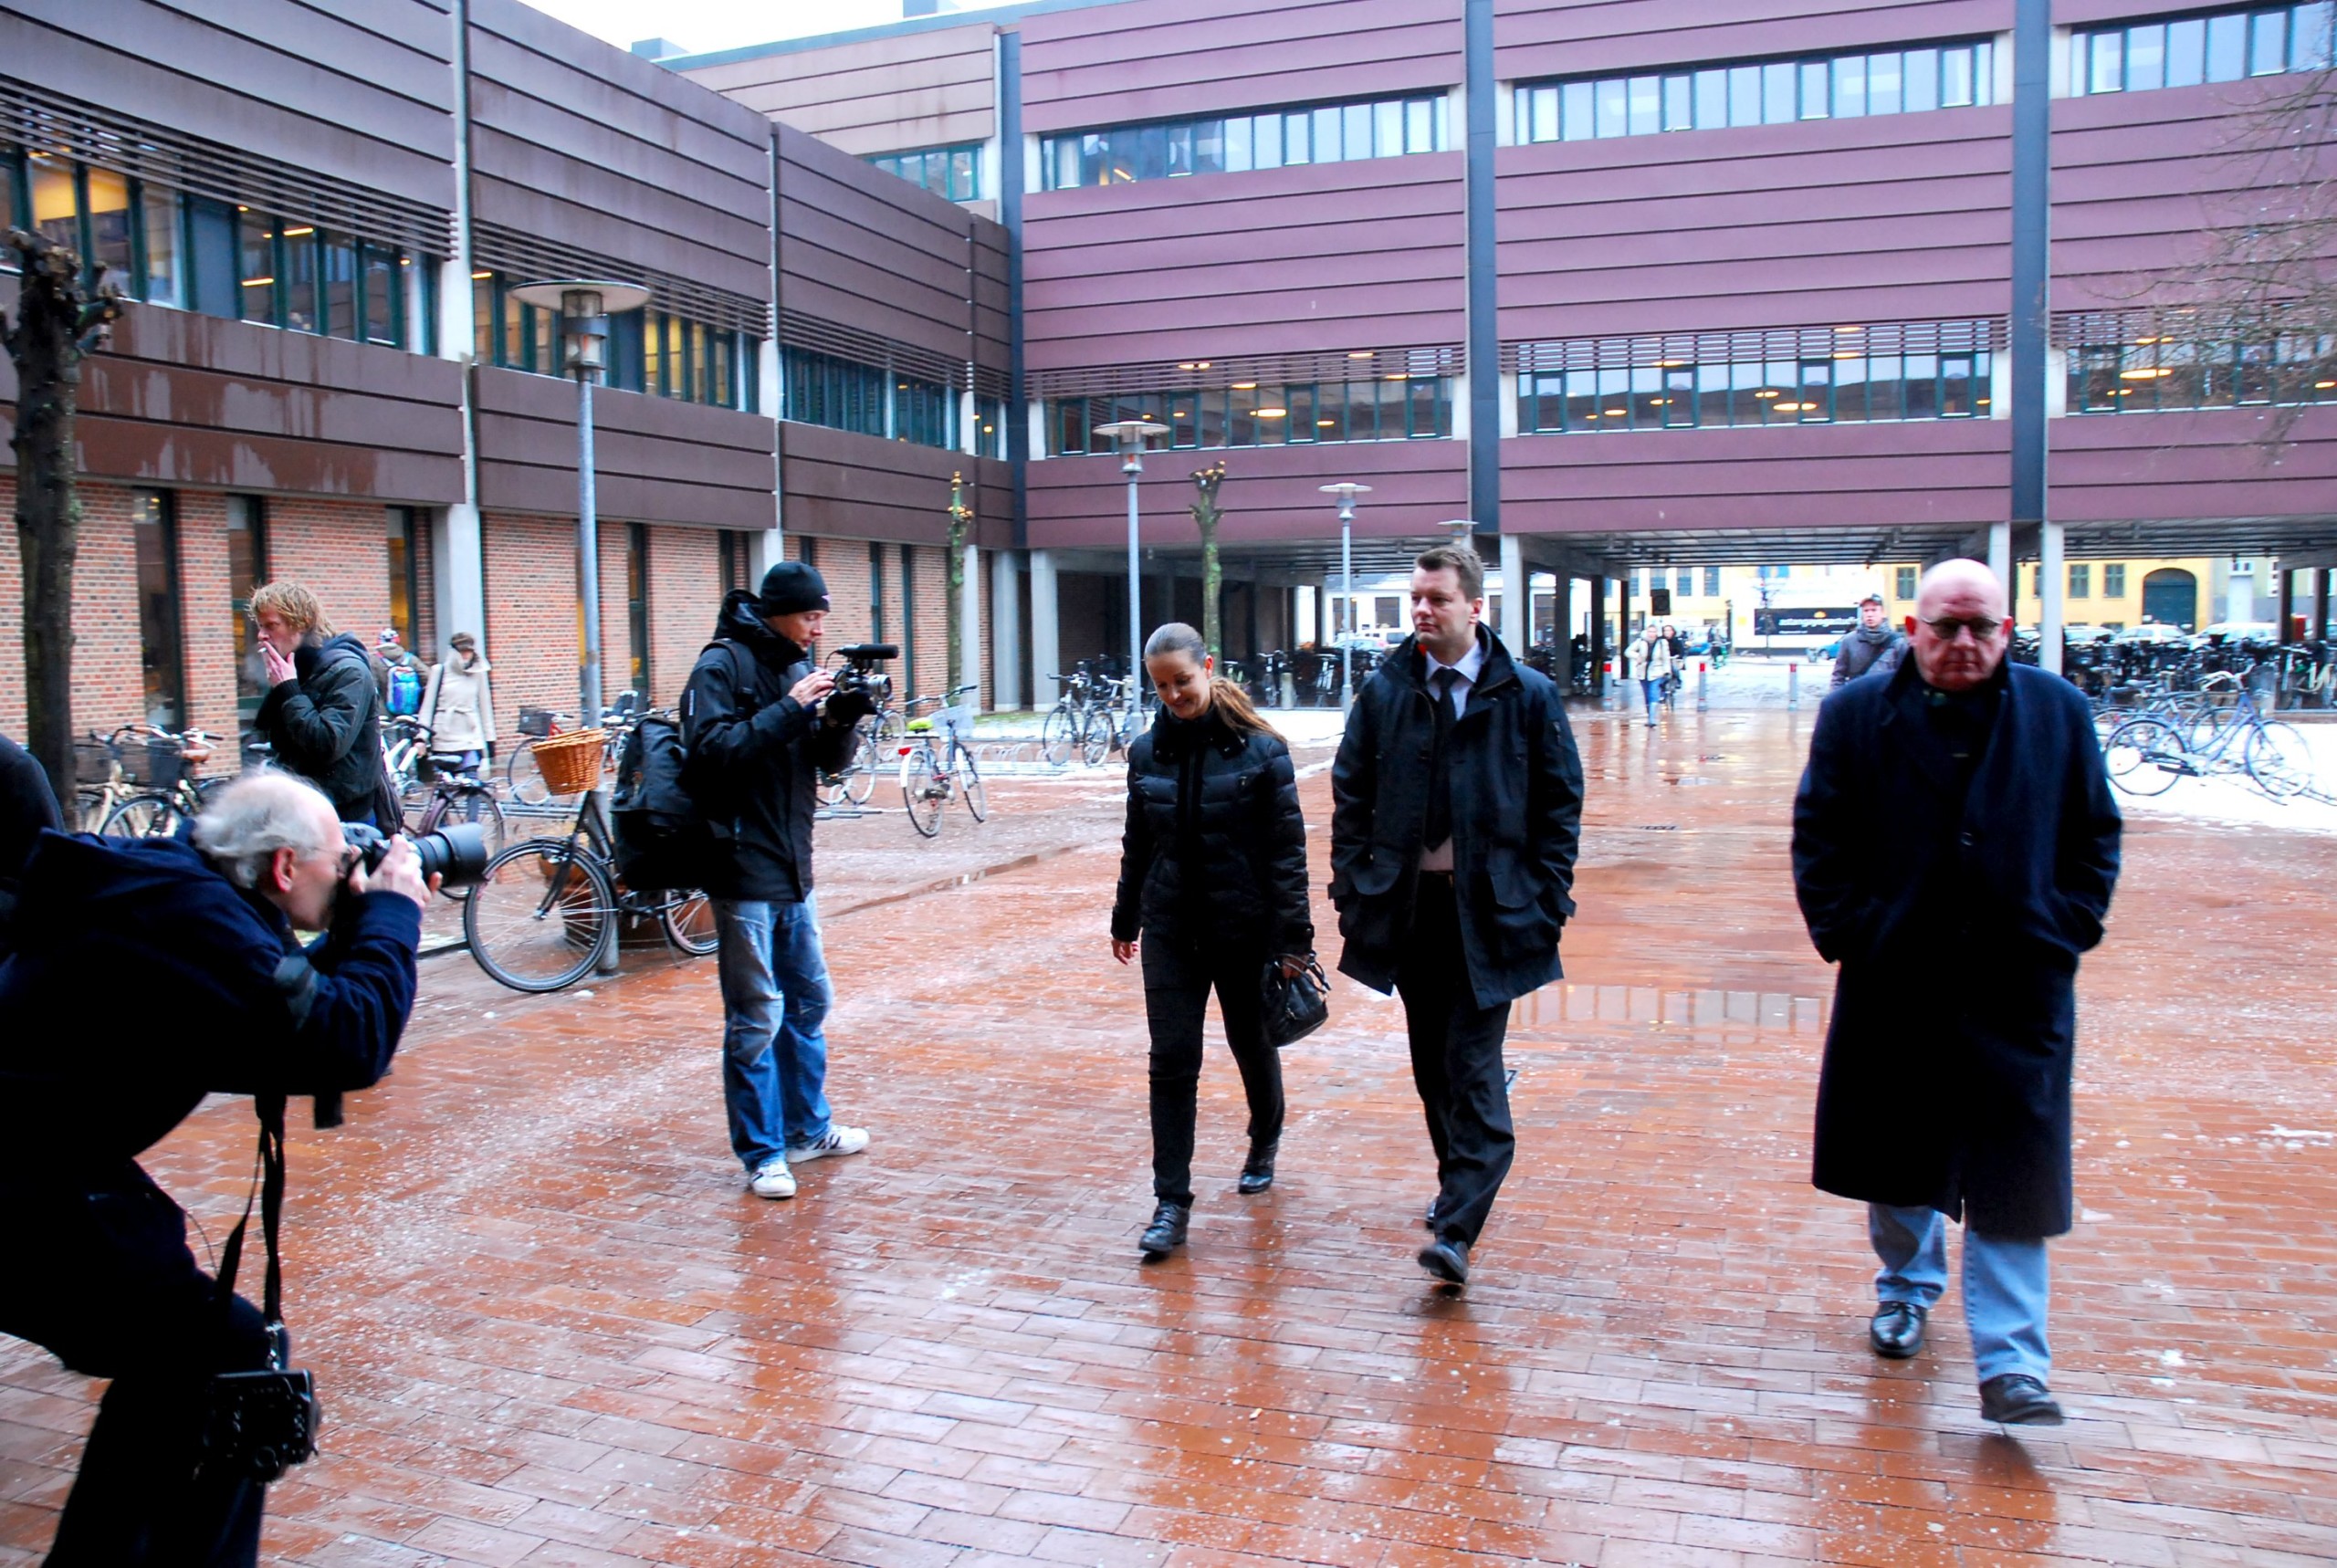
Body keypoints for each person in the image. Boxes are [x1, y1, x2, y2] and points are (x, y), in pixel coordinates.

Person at [0, 773, 430, 1565]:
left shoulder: (182, 895)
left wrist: (366, 923)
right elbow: (343, 1039)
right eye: (339, 863)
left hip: (37, 1162)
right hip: (24, 1177)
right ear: (282, 869)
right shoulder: (192, 918)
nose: (349, 874)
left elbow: (273, 1006)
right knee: (224, 1352)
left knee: (193, 1354)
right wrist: (396, 915)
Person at [1791, 559, 2122, 1427]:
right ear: (1913, 630)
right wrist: (1854, 932)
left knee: (2016, 1171)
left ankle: (2014, 1363)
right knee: (1900, 1157)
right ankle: (1904, 1286)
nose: (1964, 643)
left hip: (2019, 981)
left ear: (2010, 631)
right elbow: (1819, 837)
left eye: (1983, 627)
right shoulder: (1856, 715)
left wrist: (2068, 924)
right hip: (1899, 978)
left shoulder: (2058, 711)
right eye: (1947, 627)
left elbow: (2095, 831)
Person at [1330, 544, 1585, 1286]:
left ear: (1476, 607)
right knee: (1432, 1071)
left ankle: (1460, 1228)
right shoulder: (1386, 692)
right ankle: (1456, 1190)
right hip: (1410, 914)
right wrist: (1355, 884)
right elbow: (1352, 794)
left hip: (1493, 912)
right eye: (1416, 597)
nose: (1421, 610)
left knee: (1472, 1069)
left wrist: (1547, 895)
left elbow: (1559, 804)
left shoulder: (1525, 694)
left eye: (1436, 599)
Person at [1110, 622, 1313, 1260]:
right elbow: (1139, 840)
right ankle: (1171, 1202)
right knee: (1171, 1060)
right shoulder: (1147, 753)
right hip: (1172, 924)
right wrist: (1125, 918)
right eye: (1162, 686)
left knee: (1250, 1042)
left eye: (1182, 681)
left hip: (1243, 925)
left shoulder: (1261, 752)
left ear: (1209, 668)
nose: (1173, 695)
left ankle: (1265, 1133)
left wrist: (1293, 942)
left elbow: (1288, 853)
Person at [682, 559, 875, 1201]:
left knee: (809, 999)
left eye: (822, 617)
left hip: (794, 864)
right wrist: (791, 710)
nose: (817, 630)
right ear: (778, 612)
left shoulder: (798, 666)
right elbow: (710, 753)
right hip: (740, 865)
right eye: (809, 616)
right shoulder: (723, 665)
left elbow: (825, 765)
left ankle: (807, 1128)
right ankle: (763, 1153)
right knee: (756, 1015)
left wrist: (842, 719)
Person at [250, 582, 389, 825]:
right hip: (302, 809)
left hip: (345, 817)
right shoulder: (298, 668)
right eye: (261, 626)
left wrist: (288, 688)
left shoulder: (347, 671)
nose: (262, 635)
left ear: (301, 624)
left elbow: (327, 744)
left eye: (271, 626)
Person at [417, 632, 495, 775]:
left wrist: (490, 739)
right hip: (444, 736)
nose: (466, 655)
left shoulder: (479, 672)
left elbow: (485, 708)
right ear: (454, 652)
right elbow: (428, 706)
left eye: (469, 651)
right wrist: (422, 736)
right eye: (462, 651)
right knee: (447, 787)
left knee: (472, 784)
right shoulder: (439, 671)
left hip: (471, 735)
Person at [1830, 592, 1908, 688]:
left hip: (1885, 700)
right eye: (1866, 611)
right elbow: (1838, 675)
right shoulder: (1849, 641)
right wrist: (1838, 700)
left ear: (1883, 613)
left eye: (1874, 610)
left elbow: (1906, 677)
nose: (1869, 614)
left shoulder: (1898, 643)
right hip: (1857, 698)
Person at [1623, 622, 1675, 726]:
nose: (1652, 634)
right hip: (1643, 673)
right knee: (1647, 696)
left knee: (1653, 694)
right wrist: (1637, 656)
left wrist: (1667, 671)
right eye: (1650, 631)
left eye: (1654, 631)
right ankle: (1649, 716)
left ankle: (1652, 719)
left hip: (1657, 673)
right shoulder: (1641, 641)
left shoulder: (1662, 643)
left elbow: (1666, 658)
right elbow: (1627, 652)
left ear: (1657, 633)